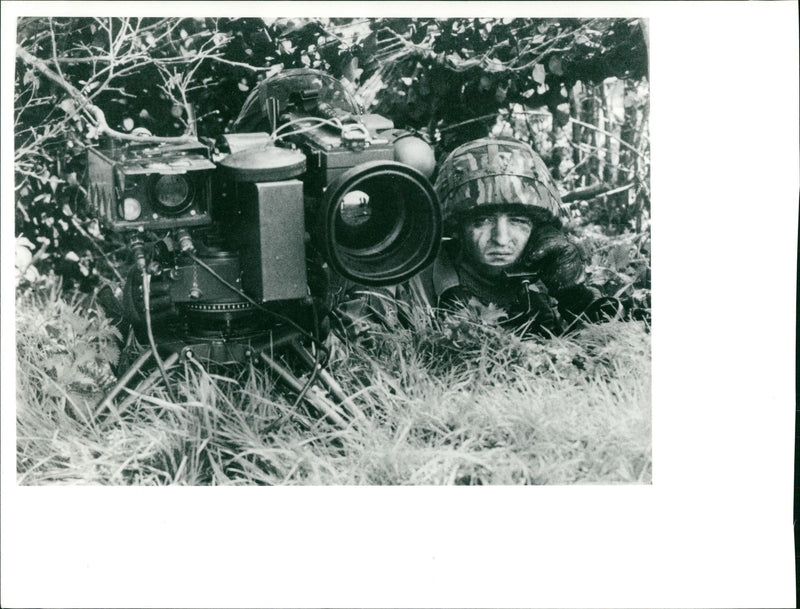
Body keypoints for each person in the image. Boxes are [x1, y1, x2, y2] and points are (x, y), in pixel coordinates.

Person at [335, 136, 620, 337]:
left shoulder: (546, 273)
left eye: (519, 221)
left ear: (539, 227)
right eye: (482, 220)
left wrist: (576, 296)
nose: (501, 238)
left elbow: (608, 353)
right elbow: (352, 346)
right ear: (455, 225)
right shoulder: (404, 277)